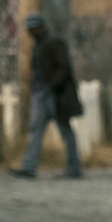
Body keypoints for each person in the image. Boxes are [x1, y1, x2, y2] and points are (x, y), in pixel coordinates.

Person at [10, 14, 84, 179]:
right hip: (42, 92)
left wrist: (51, 86)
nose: (32, 32)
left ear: (42, 27)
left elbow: (63, 67)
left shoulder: (53, 42)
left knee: (65, 131)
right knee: (36, 130)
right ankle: (29, 167)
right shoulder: (38, 45)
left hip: (55, 95)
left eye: (34, 28)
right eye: (30, 29)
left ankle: (74, 168)